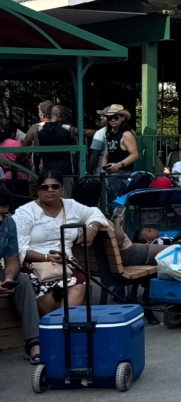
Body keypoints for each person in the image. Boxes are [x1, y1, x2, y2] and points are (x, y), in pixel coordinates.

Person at [12, 169, 108, 323]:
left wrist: (92, 228)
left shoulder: (71, 206)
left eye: (55, 186)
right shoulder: (25, 213)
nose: (50, 190)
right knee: (47, 300)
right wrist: (47, 257)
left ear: (62, 189)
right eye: (44, 187)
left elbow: (95, 213)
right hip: (34, 264)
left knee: (78, 285)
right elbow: (19, 248)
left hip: (66, 263)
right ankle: (58, 331)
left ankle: (64, 329)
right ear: (38, 191)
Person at [0, 191, 41, 364]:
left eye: (4, 214)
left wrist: (8, 278)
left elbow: (12, 259)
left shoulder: (8, 223)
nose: (2, 219)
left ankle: (33, 343)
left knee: (22, 279)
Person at [34, 104, 78, 191]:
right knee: (66, 199)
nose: (67, 118)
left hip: (48, 172)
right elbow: (74, 149)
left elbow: (37, 152)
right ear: (59, 115)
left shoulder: (39, 130)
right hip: (65, 172)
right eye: (66, 115)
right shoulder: (69, 129)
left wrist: (36, 169)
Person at [100, 104, 138, 202]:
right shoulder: (110, 134)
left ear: (122, 118)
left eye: (116, 117)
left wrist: (118, 165)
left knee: (118, 205)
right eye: (110, 118)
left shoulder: (126, 134)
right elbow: (106, 155)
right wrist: (103, 172)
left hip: (121, 175)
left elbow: (134, 154)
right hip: (111, 175)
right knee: (111, 204)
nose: (112, 120)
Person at [0, 121, 30, 203]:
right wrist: (30, 171)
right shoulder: (16, 143)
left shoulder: (1, 144)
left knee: (12, 201)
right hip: (21, 177)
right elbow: (22, 160)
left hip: (7, 177)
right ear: (13, 133)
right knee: (23, 201)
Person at [86, 111, 108, 175]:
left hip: (102, 171)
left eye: (103, 116)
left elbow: (95, 154)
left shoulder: (100, 133)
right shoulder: (130, 132)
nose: (101, 117)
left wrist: (89, 171)